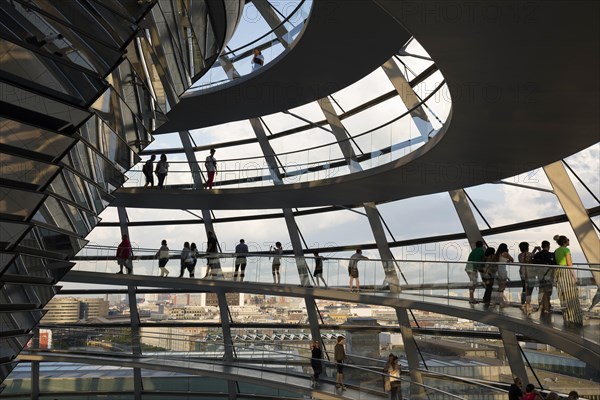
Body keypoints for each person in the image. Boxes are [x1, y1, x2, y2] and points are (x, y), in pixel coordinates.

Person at [553, 235, 583, 326]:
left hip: (558, 273)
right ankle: (575, 319)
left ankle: (567, 317)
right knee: (571, 296)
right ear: (565, 241)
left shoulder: (556, 251)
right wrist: (574, 276)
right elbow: (569, 264)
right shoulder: (566, 250)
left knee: (563, 296)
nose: (569, 241)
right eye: (568, 240)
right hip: (566, 273)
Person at [533, 240, 555, 314]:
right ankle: (546, 307)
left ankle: (542, 306)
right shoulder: (550, 255)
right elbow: (553, 264)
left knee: (541, 291)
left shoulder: (537, 255)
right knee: (548, 291)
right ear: (548, 246)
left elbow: (533, 262)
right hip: (548, 275)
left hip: (540, 275)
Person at [518, 242, 541, 312]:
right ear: (527, 247)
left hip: (522, 272)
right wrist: (539, 250)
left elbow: (528, 256)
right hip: (530, 272)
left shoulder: (520, 255)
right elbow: (538, 256)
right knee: (530, 289)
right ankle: (528, 304)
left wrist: (534, 250)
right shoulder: (530, 254)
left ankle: (523, 303)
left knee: (524, 288)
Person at [492, 243, 513, 307]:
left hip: (497, 272)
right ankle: (501, 303)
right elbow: (512, 259)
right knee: (502, 288)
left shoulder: (497, 254)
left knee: (497, 288)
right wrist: (507, 261)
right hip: (503, 272)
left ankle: (494, 302)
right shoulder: (505, 254)